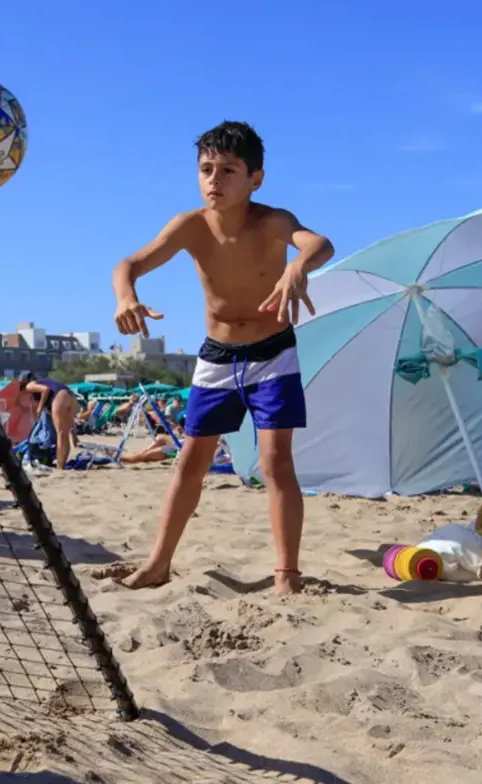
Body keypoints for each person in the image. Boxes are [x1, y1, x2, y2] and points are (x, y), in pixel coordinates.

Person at [111, 121, 333, 594]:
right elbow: (129, 263)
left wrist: (298, 265)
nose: (215, 179)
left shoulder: (271, 221)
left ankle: (286, 575)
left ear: (256, 179)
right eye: (206, 169)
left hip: (272, 353)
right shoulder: (191, 226)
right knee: (190, 462)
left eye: (229, 170)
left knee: (276, 463)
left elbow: (319, 243)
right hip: (216, 358)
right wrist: (126, 296)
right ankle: (157, 563)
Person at [18, 373, 78, 469]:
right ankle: (62, 464)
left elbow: (45, 390)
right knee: (64, 434)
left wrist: (40, 408)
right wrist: (73, 432)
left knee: (60, 433)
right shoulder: (45, 381)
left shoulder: (30, 385)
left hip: (60, 396)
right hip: (71, 396)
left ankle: (60, 466)